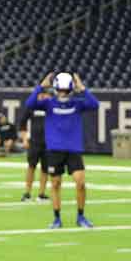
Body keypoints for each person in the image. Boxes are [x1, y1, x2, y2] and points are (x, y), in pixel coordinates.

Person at [25, 72, 99, 229]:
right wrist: (40, 87)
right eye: (60, 90)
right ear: (55, 89)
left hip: (73, 149)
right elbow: (29, 104)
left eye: (65, 91)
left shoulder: (77, 103)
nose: (62, 93)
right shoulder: (48, 103)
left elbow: (95, 105)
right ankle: (57, 218)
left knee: (80, 183)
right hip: (54, 149)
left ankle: (81, 216)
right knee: (56, 184)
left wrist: (83, 89)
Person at [17, 87, 51, 202]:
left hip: (48, 142)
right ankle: (27, 192)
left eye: (45, 94)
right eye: (42, 94)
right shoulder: (32, 107)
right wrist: (25, 139)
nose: (44, 96)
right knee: (31, 166)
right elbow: (22, 123)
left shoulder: (50, 107)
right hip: (35, 141)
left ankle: (41, 193)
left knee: (45, 169)